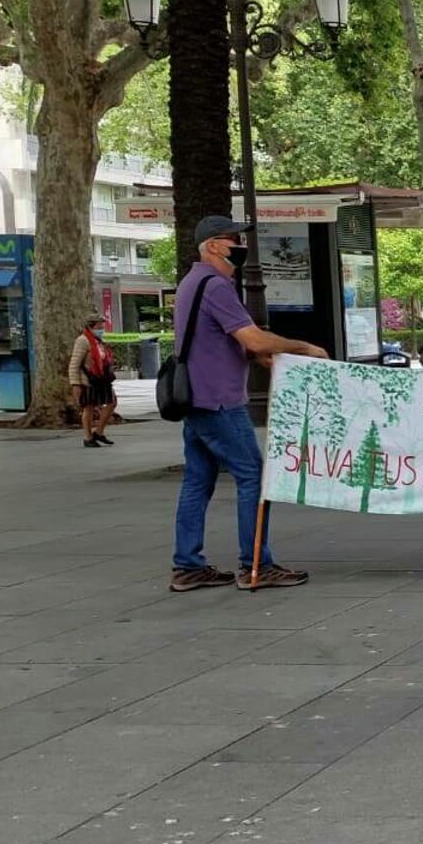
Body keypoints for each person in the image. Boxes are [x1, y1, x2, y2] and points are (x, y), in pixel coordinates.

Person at [169, 215, 327, 592]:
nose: (240, 245)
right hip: (220, 400)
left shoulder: (192, 282)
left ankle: (187, 565)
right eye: (232, 240)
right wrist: (304, 347)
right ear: (211, 246)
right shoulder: (216, 285)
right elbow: (253, 339)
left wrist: (263, 359)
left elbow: (227, 342)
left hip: (196, 397)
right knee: (254, 476)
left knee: (197, 481)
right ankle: (256, 564)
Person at [69, 310, 117, 448]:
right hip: (88, 380)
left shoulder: (98, 341)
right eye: (99, 327)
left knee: (112, 402)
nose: (102, 329)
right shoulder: (83, 341)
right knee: (88, 407)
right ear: (91, 326)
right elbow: (74, 363)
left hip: (102, 379)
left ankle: (99, 432)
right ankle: (88, 436)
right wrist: (75, 383)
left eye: (102, 327)